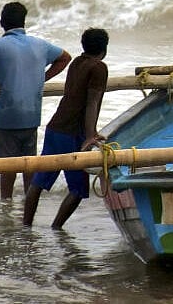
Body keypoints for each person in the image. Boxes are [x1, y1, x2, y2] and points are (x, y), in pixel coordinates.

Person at [0, 1, 71, 200]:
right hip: (31, 115)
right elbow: (65, 58)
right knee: (29, 165)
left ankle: (6, 205)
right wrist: (42, 77)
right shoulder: (40, 44)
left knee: (7, 167)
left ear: (2, 22)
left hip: (7, 116)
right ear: (24, 22)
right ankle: (28, 204)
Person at [23, 28, 110, 228]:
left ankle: (26, 226)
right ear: (104, 49)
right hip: (72, 134)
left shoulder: (77, 63)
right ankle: (56, 227)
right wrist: (90, 136)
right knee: (78, 188)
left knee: (39, 181)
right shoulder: (99, 68)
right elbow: (92, 102)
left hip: (55, 128)